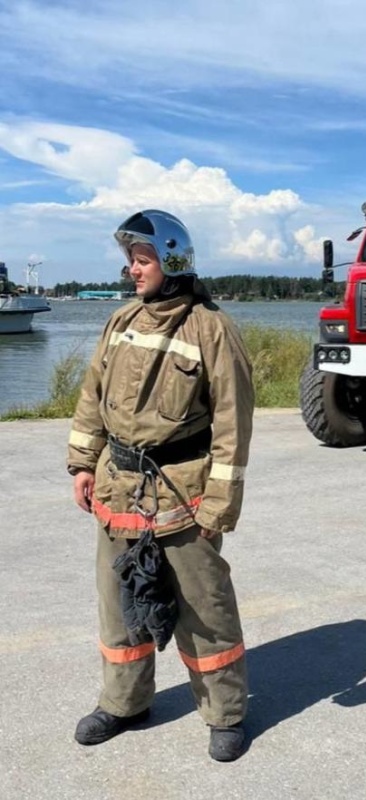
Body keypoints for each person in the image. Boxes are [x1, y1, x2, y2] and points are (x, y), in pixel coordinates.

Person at [67, 209, 254, 762]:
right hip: (117, 488)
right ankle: (124, 704)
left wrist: (219, 504)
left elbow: (233, 425)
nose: (132, 270)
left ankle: (225, 713)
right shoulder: (119, 321)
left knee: (204, 608)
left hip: (184, 494)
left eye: (141, 260)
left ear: (171, 261)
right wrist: (83, 463)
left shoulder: (211, 328)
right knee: (119, 606)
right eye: (129, 260)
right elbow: (91, 396)